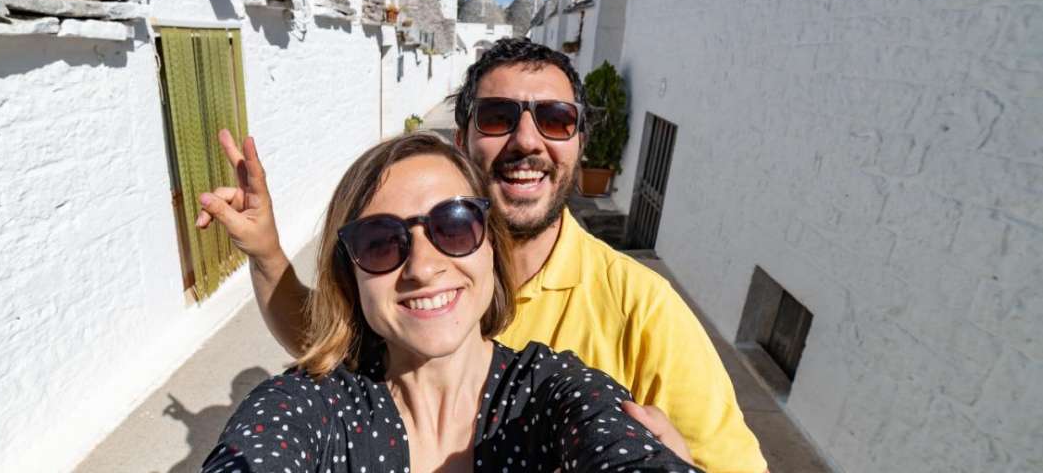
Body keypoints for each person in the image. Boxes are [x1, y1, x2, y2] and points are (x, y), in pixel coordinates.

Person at [197, 39, 765, 472]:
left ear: (579, 143)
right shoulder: (350, 379)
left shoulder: (642, 308)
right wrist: (268, 252)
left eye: (555, 119)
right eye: (498, 117)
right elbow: (325, 346)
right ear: (462, 140)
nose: (526, 140)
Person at [199, 133, 698, 472]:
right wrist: (265, 253)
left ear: (491, 247)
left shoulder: (556, 395)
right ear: (349, 277)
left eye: (454, 225)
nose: (422, 266)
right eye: (379, 241)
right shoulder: (313, 407)